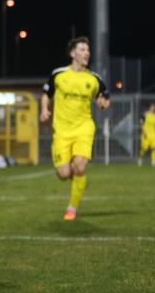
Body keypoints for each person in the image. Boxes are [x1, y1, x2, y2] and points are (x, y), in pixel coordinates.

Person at [40, 36, 110, 221]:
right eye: (82, 49)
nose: (87, 53)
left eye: (88, 50)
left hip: (83, 129)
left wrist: (103, 103)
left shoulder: (94, 79)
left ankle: (72, 208)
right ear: (73, 54)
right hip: (61, 131)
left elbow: (104, 97)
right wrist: (44, 109)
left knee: (79, 166)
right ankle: (79, 179)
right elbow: (46, 94)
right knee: (63, 174)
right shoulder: (59, 75)